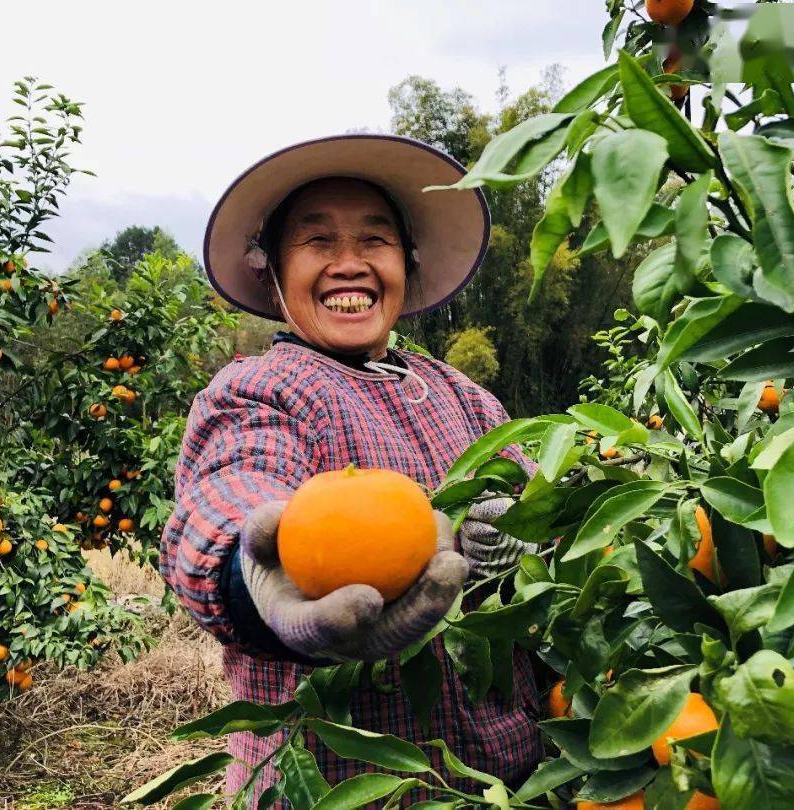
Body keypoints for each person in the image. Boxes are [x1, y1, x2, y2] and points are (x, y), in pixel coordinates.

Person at [160, 134, 544, 804]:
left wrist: (534, 532)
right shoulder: (262, 390)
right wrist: (255, 578)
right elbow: (230, 490)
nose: (349, 264)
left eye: (374, 240)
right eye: (317, 242)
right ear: (274, 273)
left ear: (404, 263)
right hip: (336, 789)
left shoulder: (465, 398)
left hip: (512, 779)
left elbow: (547, 509)